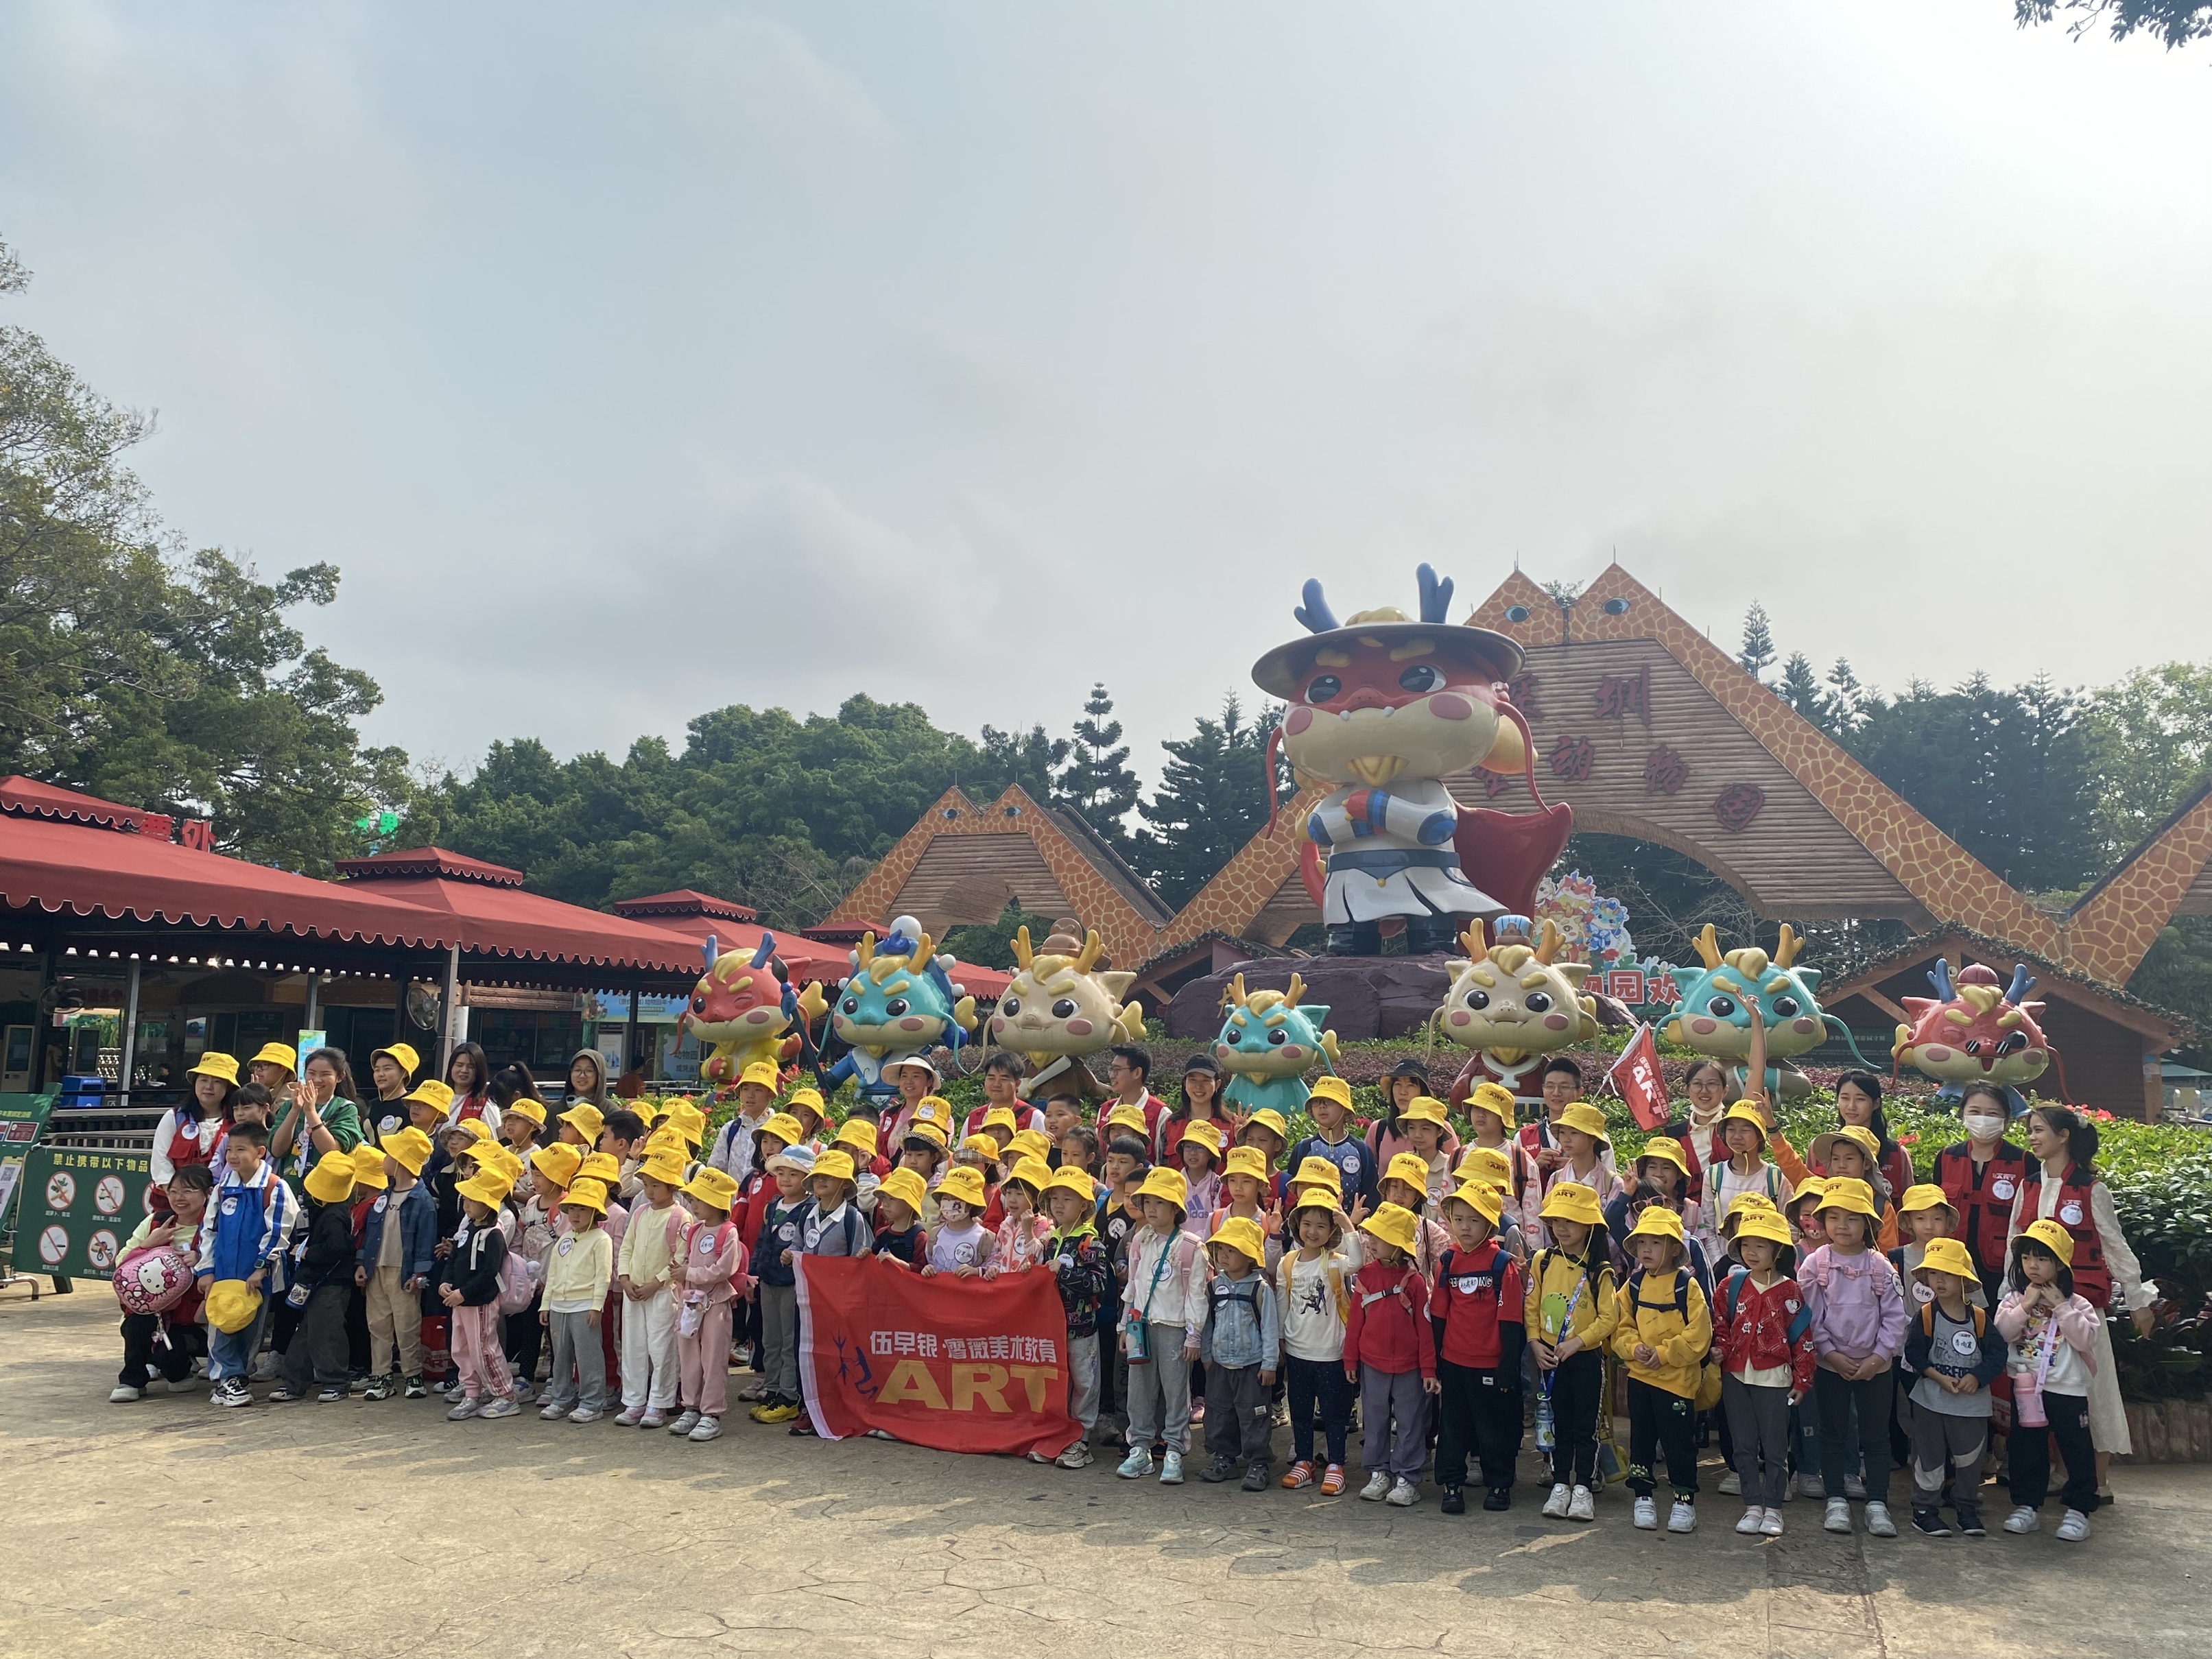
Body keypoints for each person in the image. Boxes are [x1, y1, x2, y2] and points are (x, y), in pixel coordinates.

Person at [2007, 1101, 2152, 1497]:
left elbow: (2115, 1248)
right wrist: (2010, 1295)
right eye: (2030, 1131)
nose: (2032, 1138)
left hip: (2080, 1310)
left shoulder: (2091, 1189)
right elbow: (2012, 1247)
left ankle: (2099, 1481)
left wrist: (2138, 1300)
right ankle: (2061, 1472)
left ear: (2064, 1135)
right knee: (2044, 1390)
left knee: (2096, 1391)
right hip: (2035, 1316)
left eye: (2039, 1130)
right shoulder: (2028, 1186)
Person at [1802, 1176, 1907, 1538]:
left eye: (1852, 1218)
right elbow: (1810, 1317)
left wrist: (1877, 1359)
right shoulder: (1815, 1264)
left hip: (1876, 1368)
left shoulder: (1881, 1266)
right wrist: (1831, 1355)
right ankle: (1836, 1498)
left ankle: (1877, 1502)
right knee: (1832, 1433)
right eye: (1833, 1217)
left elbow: (1895, 1318)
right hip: (1831, 1367)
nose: (1842, 1226)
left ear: (1868, 1223)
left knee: (1876, 1436)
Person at [1996, 1219, 2101, 1540]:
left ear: (2059, 1264)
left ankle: (2079, 1510)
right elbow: (2003, 1333)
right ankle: (2027, 1506)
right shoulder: (2014, 1299)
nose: (2032, 1265)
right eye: (2026, 1258)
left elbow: (2085, 1340)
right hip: (2026, 1388)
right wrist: (2026, 1305)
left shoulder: (2079, 1304)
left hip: (2067, 1388)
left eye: (2042, 1259)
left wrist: (2062, 1307)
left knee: (2076, 1448)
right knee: (2027, 1447)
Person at [1713, 1208, 1814, 1537]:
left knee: (1775, 1448)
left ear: (1778, 1250)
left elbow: (1802, 1338)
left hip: (1775, 1378)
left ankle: (1773, 1508)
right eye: (1746, 1245)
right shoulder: (1731, 1285)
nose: (1751, 1252)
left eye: (1761, 1245)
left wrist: (1803, 1380)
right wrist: (1720, 1349)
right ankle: (1752, 1505)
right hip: (1735, 1375)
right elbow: (1720, 1325)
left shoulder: (1790, 1291)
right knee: (1742, 1445)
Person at [1612, 1206, 1711, 1534]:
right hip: (1640, 1379)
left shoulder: (1687, 1286)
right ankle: (1643, 1497)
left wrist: (1664, 1354)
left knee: (1679, 1445)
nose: (1647, 1250)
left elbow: (1700, 1334)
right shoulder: (1633, 1284)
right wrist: (1633, 1348)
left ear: (1673, 1248)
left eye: (1656, 1243)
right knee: (1641, 1441)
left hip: (1678, 1382)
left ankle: (1684, 1502)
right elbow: (1620, 1325)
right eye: (1642, 1242)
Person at [1899, 1236, 2006, 1538]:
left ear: (1963, 1279)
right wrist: (1936, 1376)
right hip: (1930, 1403)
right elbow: (1914, 1353)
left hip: (1971, 1407)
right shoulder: (1925, 1315)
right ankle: (1924, 1510)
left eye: (1948, 1274)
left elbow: (1998, 1355)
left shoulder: (1981, 1319)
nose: (1940, 1280)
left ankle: (1966, 1508)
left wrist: (1977, 1377)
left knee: (1970, 1459)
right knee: (1928, 1457)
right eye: (1934, 1273)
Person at [1430, 1180, 1525, 1515]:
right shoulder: (1447, 1261)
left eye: (1474, 1220)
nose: (1465, 1227)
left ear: (1489, 1224)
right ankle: (1451, 1485)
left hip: (1490, 1363)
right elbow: (1439, 1314)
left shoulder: (1502, 1264)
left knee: (1494, 1428)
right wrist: (1436, 1361)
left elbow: (1510, 1317)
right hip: (1455, 1362)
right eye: (1459, 1219)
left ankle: (1499, 1484)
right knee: (1453, 1428)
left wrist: (1508, 1365)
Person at [1526, 1182, 1617, 1524]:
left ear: (1589, 1226)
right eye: (1556, 1221)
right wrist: (1535, 1342)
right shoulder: (1542, 1261)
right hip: (1549, 1358)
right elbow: (1531, 1305)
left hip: (1585, 1358)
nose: (1561, 1228)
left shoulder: (1599, 1270)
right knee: (1558, 1424)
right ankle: (1560, 1483)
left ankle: (1583, 1488)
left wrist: (1578, 1342)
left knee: (1585, 1426)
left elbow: (1609, 1317)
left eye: (1571, 1221)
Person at [195, 1119, 294, 1407]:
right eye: (230, 1150)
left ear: (260, 1152)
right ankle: (226, 1379)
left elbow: (279, 1231)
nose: (233, 1156)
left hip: (255, 1278)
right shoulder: (222, 1189)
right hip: (223, 1275)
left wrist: (262, 1266)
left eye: (241, 1149)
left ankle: (238, 1377)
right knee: (222, 1326)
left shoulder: (275, 1187)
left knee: (251, 1329)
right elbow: (208, 1231)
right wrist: (206, 1270)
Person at [1117, 1168, 1206, 1484]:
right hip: (1140, 1325)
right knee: (1139, 1389)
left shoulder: (1191, 1247)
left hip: (1174, 1327)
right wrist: (1124, 1325)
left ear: (1175, 1208)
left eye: (1160, 1202)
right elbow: (1133, 1287)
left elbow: (1197, 1295)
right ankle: (1139, 1448)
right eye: (1148, 1202)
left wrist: (1194, 1335)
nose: (1152, 1209)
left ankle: (1174, 1449)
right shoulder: (1140, 1241)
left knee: (1175, 1391)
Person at [1346, 1202, 1437, 1506]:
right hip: (1372, 1364)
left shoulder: (1415, 1282)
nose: (1371, 1242)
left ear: (1398, 1245)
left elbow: (1425, 1328)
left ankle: (1407, 1478)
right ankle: (1378, 1473)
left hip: (1410, 1367)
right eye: (1371, 1235)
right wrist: (1350, 1360)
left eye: (1379, 1237)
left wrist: (1428, 1370)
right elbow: (1355, 1322)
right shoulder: (1366, 1276)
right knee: (1374, 1420)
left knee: (1410, 1423)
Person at [112, 1167, 215, 1402]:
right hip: (153, 1313)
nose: (179, 1198)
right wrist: (148, 1245)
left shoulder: (215, 1226)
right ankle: (131, 1380)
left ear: (208, 1193)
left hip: (195, 1319)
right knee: (138, 1323)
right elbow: (121, 1261)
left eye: (188, 1191)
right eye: (173, 1191)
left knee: (172, 1357)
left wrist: (204, 1262)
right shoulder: (156, 1222)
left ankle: (179, 1371)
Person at [267, 1150, 361, 1405]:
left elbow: (339, 1248)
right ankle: (294, 1383)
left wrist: (308, 1252)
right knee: (307, 1333)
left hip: (330, 1283)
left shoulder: (334, 1215)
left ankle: (336, 1382)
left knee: (325, 1333)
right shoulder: (331, 1211)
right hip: (319, 1282)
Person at [1276, 1195, 1353, 1496]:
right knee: (1300, 1410)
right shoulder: (1288, 1263)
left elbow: (1359, 1261)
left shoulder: (1335, 1261)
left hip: (1332, 1353)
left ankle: (1336, 1465)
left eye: (1321, 1226)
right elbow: (1282, 1304)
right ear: (1297, 1226)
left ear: (1331, 1231)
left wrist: (1348, 1225)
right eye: (1307, 1223)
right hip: (1298, 1352)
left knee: (1334, 1413)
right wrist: (1280, 1340)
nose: (1312, 1231)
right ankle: (1304, 1461)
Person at [1198, 1217, 1281, 1492]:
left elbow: (1270, 1328)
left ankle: (1258, 1462)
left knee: (1254, 1414)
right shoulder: (1214, 1287)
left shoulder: (1260, 1289)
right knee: (1219, 1413)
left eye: (1231, 1250)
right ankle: (1225, 1457)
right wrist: (1206, 1356)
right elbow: (1208, 1324)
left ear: (1249, 1256)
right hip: (1220, 1364)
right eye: (1220, 1249)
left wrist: (1270, 1364)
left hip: (1252, 1366)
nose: (1223, 1255)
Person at [355, 1125, 437, 1400]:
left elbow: (425, 1241)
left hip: (404, 1273)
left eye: (389, 1154)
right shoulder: (383, 1196)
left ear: (401, 1161)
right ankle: (382, 1376)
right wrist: (361, 1263)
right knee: (377, 1325)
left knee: (407, 1326)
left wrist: (420, 1274)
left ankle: (413, 1375)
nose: (384, 1159)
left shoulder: (422, 1200)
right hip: (376, 1269)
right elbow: (370, 1235)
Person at [1934, 1082, 2030, 1309]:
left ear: (2006, 1118)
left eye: (1992, 1113)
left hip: (2002, 1270)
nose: (1983, 1119)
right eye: (1975, 1112)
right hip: (1953, 1266)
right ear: (1963, 1115)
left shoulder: (2025, 1162)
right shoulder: (1946, 1158)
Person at [669, 1166, 745, 1444]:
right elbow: (690, 1261)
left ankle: (711, 1413)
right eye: (693, 1198)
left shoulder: (729, 1233)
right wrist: (681, 1270)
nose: (694, 1204)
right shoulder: (694, 1231)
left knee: (713, 1358)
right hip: (691, 1304)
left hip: (716, 1304)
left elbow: (723, 1269)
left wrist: (688, 1272)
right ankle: (691, 1406)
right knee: (689, 1355)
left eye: (699, 1199)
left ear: (717, 1203)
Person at [1041, 1165, 1111, 1468]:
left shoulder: (1090, 1243)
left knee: (1085, 1381)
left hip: (1081, 1328)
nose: (1059, 1204)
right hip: (1053, 1328)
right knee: (1059, 1381)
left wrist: (1064, 1273)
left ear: (1084, 1205)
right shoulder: (1050, 1241)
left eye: (1067, 1198)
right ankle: (1058, 1434)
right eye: (1054, 1198)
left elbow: (1098, 1284)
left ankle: (1081, 1440)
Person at [440, 1163, 520, 1419]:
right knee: (461, 1348)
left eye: (473, 1200)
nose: (466, 1204)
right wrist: (446, 1282)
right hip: (460, 1301)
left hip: (480, 1302)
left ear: (488, 1204)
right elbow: (454, 1259)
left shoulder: (493, 1234)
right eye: (466, 1199)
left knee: (484, 1349)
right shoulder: (467, 1229)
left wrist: (464, 1292)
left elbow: (489, 1272)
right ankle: (472, 1392)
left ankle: (505, 1395)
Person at [615, 1149, 687, 1428]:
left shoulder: (680, 1216)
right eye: (646, 1185)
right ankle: (634, 1400)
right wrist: (624, 1278)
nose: (649, 1191)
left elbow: (680, 1256)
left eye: (656, 1185)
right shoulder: (640, 1213)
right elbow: (627, 1247)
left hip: (662, 1293)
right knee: (633, 1347)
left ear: (671, 1186)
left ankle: (659, 1402)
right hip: (634, 1291)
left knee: (662, 1348)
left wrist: (656, 1283)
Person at [538, 1175, 615, 1423]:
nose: (576, 1214)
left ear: (595, 1212)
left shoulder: (601, 1239)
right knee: (561, 1355)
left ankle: (592, 1402)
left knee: (588, 1355)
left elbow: (603, 1275)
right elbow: (553, 1274)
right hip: (559, 1306)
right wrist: (546, 1304)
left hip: (584, 1305)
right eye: (572, 1208)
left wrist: (596, 1305)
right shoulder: (564, 1238)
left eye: (583, 1209)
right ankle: (561, 1398)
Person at [748, 1145, 813, 1424]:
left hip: (792, 1284)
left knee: (790, 1340)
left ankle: (789, 1395)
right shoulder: (772, 1207)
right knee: (770, 1339)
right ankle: (772, 1389)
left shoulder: (809, 1210)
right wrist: (752, 1276)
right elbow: (761, 1243)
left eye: (794, 1174)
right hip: (768, 1281)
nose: (786, 1179)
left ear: (807, 1179)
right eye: (781, 1173)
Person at [1696, 1103, 1792, 1263]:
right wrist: (1719, 1264)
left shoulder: (1775, 1177)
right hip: (1723, 1265)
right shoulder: (1713, 1175)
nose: (1737, 1136)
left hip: (1766, 1266)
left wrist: (1773, 1264)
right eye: (1731, 1129)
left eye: (1745, 1130)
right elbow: (1708, 1226)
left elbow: (1789, 1228)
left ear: (1759, 1136)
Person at [151, 1053, 238, 1209]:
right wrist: (179, 1197)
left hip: (222, 1206)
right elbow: (161, 1163)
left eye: (217, 1081)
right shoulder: (174, 1118)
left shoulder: (237, 1123)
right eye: (203, 1080)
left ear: (228, 1087)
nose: (209, 1087)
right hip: (175, 1207)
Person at [270, 1047, 366, 1186]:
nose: (317, 1079)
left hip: (327, 1190)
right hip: (290, 1188)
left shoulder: (345, 1108)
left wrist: (310, 1111)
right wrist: (295, 1110)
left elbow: (331, 1151)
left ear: (340, 1077)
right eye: (311, 1073)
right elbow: (277, 1150)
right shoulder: (290, 1106)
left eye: (325, 1074)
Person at [1285, 1077, 1379, 1215]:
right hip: (1309, 1225)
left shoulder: (1361, 1151)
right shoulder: (1304, 1149)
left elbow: (1372, 1200)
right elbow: (1292, 1198)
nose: (1322, 1106)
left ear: (1344, 1108)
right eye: (1317, 1102)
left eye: (1329, 1101)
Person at [1537, 1101, 1620, 1247]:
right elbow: (1548, 1225)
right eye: (1563, 1132)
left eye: (1574, 1133)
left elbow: (1617, 1233)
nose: (1566, 1139)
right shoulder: (1556, 1179)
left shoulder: (1613, 1183)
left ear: (1593, 1138)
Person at [1366, 1058, 1462, 1169]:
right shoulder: (1379, 1129)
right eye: (1398, 1084)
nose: (1403, 1092)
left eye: (1411, 1085)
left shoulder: (1441, 1128)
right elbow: (1368, 1173)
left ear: (1423, 1091)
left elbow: (1455, 1170)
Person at [706, 1062, 783, 1183]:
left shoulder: (780, 1130)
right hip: (733, 1195)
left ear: (770, 1094)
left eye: (758, 1090)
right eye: (746, 1089)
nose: (750, 1095)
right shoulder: (730, 1129)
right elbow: (715, 1170)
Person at [1160, 1053, 1235, 1165]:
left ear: (1217, 1084)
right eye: (1193, 1080)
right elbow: (1161, 1165)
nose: (1199, 1086)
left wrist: (1241, 1139)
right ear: (1185, 1084)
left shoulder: (1232, 1124)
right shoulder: (1170, 1124)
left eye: (1206, 1080)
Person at [992, 1156, 1055, 1274]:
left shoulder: (1044, 1226)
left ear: (1035, 1198)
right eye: (1009, 1193)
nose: (1012, 1200)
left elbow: (1040, 1262)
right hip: (1005, 1284)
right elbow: (997, 1257)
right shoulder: (1006, 1225)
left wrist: (1028, 1232)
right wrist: (993, 1269)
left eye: (1019, 1194)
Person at [1102, 1045, 1167, 1143]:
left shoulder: (1161, 1114)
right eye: (1111, 1069)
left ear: (1137, 1073)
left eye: (1117, 1070)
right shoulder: (1105, 1110)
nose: (1111, 1076)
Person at [363, 1042, 421, 1143]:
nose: (381, 1074)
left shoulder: (413, 1106)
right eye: (377, 1070)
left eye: (387, 1069)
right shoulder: (368, 1106)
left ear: (404, 1072)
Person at [871, 1167, 929, 1267]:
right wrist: (867, 1254)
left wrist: (897, 1262)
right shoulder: (881, 1234)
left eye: (892, 1199)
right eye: (884, 1197)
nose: (885, 1204)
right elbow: (873, 1263)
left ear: (909, 1204)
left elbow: (921, 1269)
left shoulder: (919, 1237)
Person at [442, 1042, 501, 1139]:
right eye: (459, 1065)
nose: (464, 1070)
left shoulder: (485, 1105)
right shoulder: (438, 1097)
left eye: (471, 1067)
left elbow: (493, 1142)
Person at [564, 1048, 615, 1112]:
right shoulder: (555, 1110)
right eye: (577, 1070)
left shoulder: (611, 1112)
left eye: (589, 1071)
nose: (582, 1075)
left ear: (599, 1075)